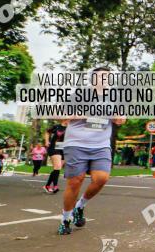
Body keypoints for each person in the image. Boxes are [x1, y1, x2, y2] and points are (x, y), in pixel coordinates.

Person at [57, 67, 126, 235]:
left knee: (101, 178)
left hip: (101, 144)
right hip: (76, 143)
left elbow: (121, 119)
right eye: (102, 77)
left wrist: (119, 118)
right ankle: (65, 219)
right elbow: (62, 116)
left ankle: (79, 207)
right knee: (76, 181)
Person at [44, 123, 66, 194]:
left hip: (64, 149)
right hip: (54, 147)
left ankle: (47, 185)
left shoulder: (73, 127)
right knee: (58, 166)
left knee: (57, 168)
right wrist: (47, 141)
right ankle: (55, 185)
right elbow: (47, 132)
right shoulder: (57, 126)